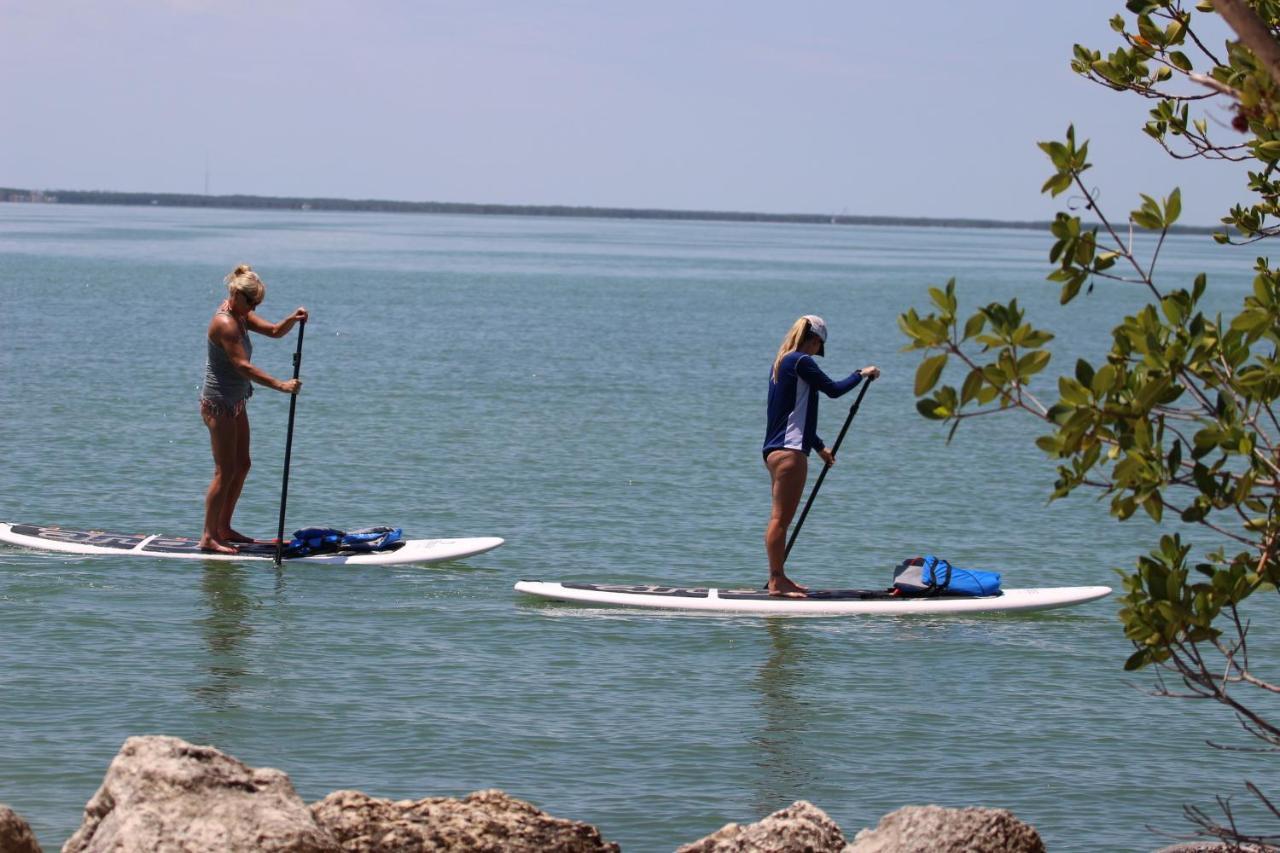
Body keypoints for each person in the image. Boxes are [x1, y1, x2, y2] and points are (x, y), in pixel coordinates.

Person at [762, 315, 879, 597]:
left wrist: (819, 447)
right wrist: (861, 374)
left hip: (774, 451)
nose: (817, 352)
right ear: (814, 340)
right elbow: (834, 390)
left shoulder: (781, 363)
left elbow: (793, 416)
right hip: (791, 453)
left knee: (779, 518)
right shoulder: (802, 361)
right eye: (818, 346)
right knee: (780, 520)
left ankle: (779, 577)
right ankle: (777, 580)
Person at [198, 264, 307, 554]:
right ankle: (208, 536)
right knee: (225, 470)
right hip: (218, 404)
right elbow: (242, 366)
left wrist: (292, 320)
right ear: (235, 294)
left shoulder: (241, 314)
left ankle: (224, 527)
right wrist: (281, 385)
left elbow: (273, 331)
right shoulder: (226, 323)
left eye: (257, 303)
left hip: (236, 401)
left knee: (242, 464)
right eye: (252, 302)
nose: (254, 307)